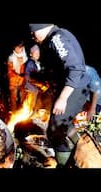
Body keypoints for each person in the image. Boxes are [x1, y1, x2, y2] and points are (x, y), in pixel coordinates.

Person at [29, 24, 90, 167]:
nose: (33, 36)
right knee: (64, 125)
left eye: (33, 33)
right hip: (75, 87)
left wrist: (63, 98)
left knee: (54, 131)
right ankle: (82, 149)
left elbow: (75, 69)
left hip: (74, 89)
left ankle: (65, 164)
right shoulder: (57, 35)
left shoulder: (57, 38)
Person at [7, 40, 28, 112]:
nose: (18, 49)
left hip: (24, 81)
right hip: (14, 81)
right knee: (13, 98)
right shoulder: (11, 57)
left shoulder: (25, 56)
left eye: (19, 48)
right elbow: (10, 71)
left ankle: (23, 112)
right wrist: (19, 76)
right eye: (16, 48)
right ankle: (13, 113)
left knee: (23, 97)